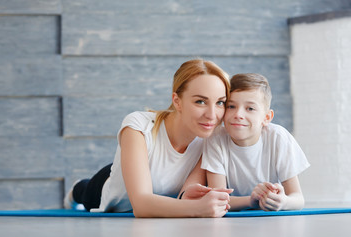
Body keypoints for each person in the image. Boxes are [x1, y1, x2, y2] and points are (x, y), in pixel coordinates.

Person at [64, 59, 233, 218]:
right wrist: (198, 208)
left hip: (161, 200)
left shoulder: (211, 138)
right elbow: (141, 205)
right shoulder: (138, 126)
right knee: (85, 191)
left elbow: (184, 197)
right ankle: (76, 189)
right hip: (107, 189)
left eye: (220, 102)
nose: (212, 115)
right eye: (200, 102)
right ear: (177, 101)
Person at [201, 73, 310, 211]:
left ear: (266, 117)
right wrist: (251, 200)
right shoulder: (216, 139)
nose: (238, 115)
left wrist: (283, 202)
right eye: (231, 106)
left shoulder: (278, 138)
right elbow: (217, 198)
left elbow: (298, 199)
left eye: (250, 108)